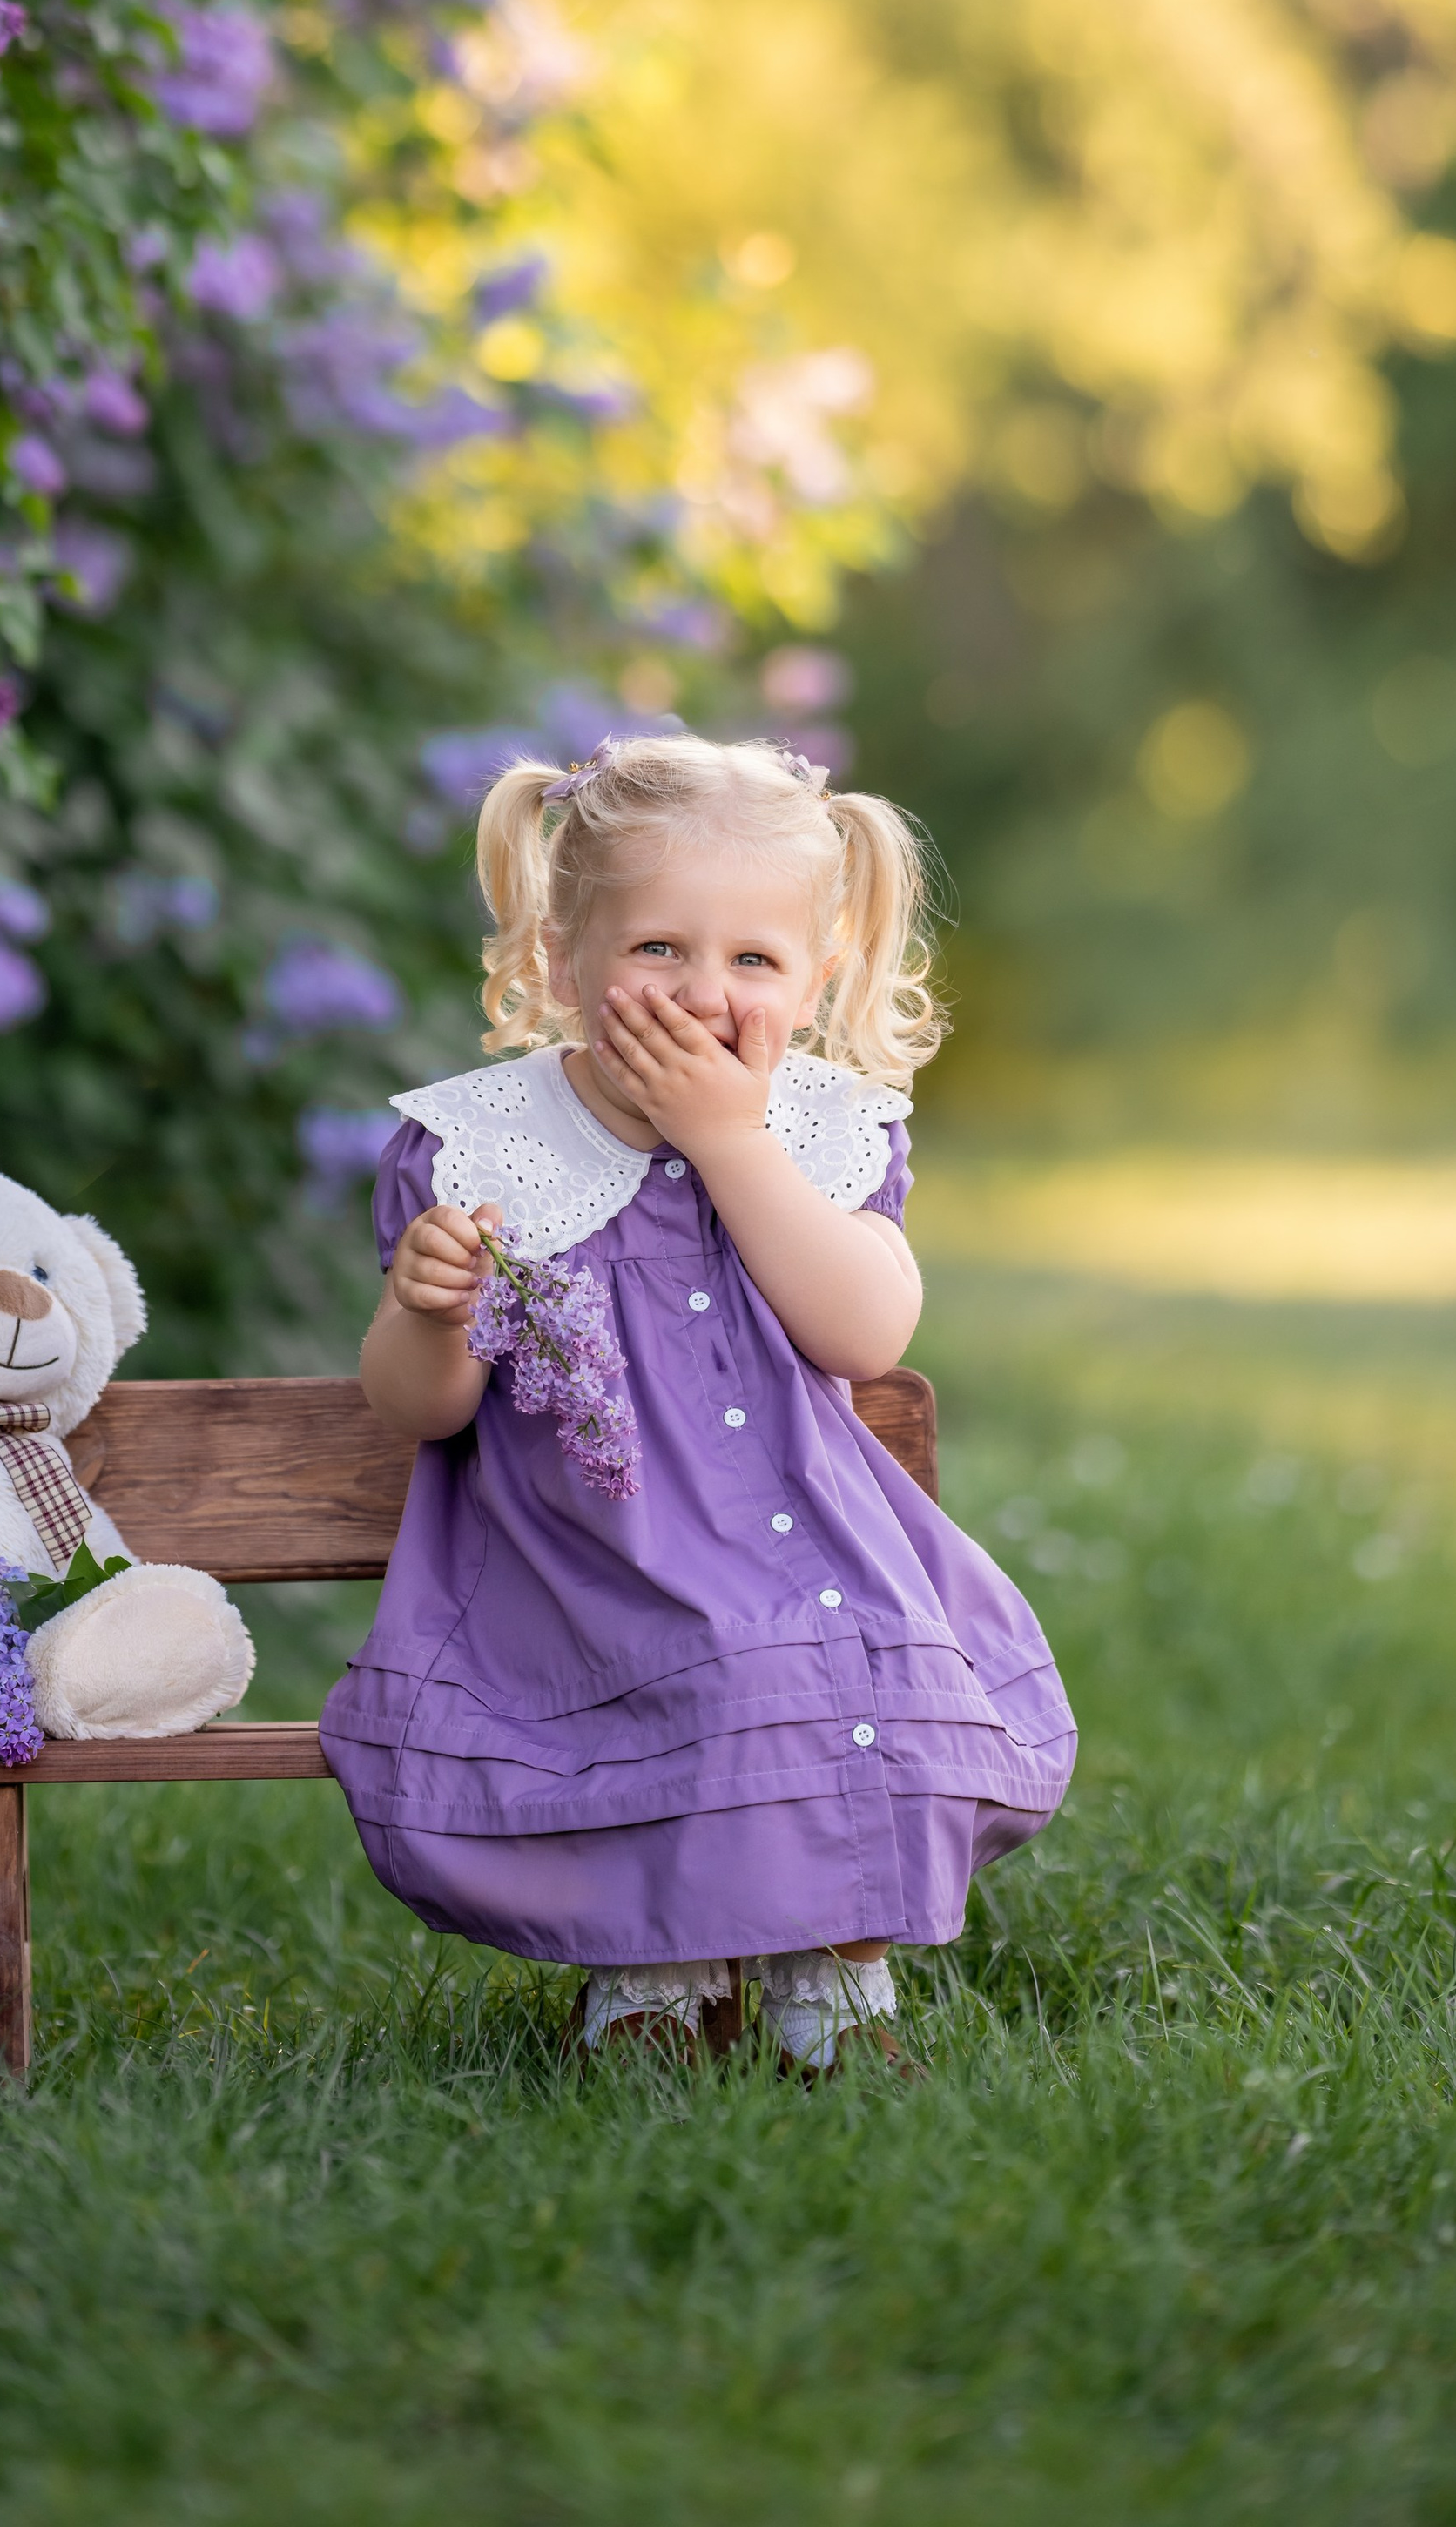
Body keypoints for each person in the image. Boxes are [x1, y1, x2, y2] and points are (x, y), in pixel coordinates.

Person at [320, 730, 1075, 2069]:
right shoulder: (484, 1144)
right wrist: (428, 1309)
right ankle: (657, 1986)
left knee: (864, 1666)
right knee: (700, 1674)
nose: (703, 992)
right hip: (585, 1564)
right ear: (563, 956)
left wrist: (729, 1139)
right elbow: (421, 1409)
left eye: (754, 961)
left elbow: (866, 1329)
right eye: (658, 947)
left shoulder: (821, 1128)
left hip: (813, 1544)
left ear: (817, 976)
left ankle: (834, 1989)